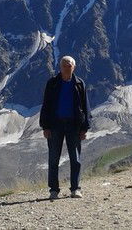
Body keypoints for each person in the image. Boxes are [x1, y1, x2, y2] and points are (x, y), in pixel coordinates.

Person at [39, 55, 92, 200]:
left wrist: (85, 128)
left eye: (69, 66)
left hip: (74, 125)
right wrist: (45, 126)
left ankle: (76, 188)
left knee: (75, 158)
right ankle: (54, 190)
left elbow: (85, 107)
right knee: (53, 158)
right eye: (64, 65)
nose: (67, 68)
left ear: (74, 67)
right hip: (55, 125)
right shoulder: (52, 83)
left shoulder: (80, 84)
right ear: (60, 67)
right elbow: (46, 105)